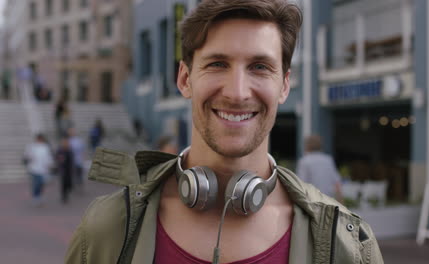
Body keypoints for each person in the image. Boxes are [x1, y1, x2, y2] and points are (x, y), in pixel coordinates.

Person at [65, 1, 383, 263]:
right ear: (185, 79)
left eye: (260, 67)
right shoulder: (107, 228)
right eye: (217, 64)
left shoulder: (348, 245)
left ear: (284, 85)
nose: (238, 92)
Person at [297, 135, 343, 201]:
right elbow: (337, 183)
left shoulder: (304, 161)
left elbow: (300, 184)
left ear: (307, 146)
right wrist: (341, 201)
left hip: (311, 201)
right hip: (327, 201)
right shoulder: (328, 160)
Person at [23, 134, 54, 206]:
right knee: (36, 183)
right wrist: (29, 158)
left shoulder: (45, 147)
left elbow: (48, 157)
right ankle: (36, 196)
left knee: (41, 183)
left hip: (43, 169)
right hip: (34, 169)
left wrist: (50, 164)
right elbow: (26, 156)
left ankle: (39, 196)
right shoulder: (31, 147)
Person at [56, 136, 73, 204]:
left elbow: (71, 159)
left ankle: (67, 192)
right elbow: (57, 157)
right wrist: (60, 159)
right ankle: (64, 196)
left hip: (68, 169)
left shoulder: (69, 150)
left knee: (69, 183)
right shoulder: (60, 150)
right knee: (63, 183)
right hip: (63, 169)